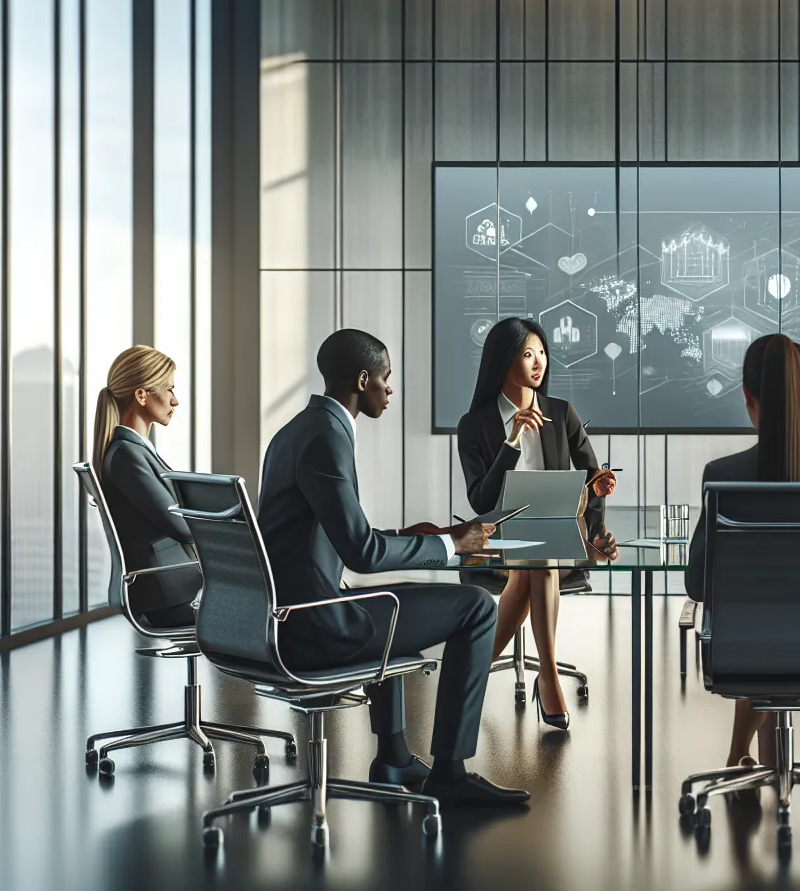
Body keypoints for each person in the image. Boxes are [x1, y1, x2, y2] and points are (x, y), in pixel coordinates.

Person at [258, 328, 527, 808]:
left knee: (396, 602)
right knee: (476, 606)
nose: (391, 389)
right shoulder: (327, 438)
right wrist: (448, 544)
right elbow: (362, 552)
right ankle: (449, 772)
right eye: (386, 378)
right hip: (317, 626)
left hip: (287, 615)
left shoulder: (295, 431)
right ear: (363, 380)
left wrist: (417, 536)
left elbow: (341, 533)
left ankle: (395, 757)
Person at [686, 334, 800, 770]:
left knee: (759, 622)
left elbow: (696, 583)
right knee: (775, 621)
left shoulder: (723, 474)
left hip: (742, 652)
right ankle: (741, 756)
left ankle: (741, 760)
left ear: (748, 398)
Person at [455, 317, 619, 732]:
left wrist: (597, 531)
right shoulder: (474, 425)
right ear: (502, 360)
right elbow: (481, 501)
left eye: (542, 352)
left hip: (558, 536)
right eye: (527, 353)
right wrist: (510, 444)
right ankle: (547, 674)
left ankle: (470, 679)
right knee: (535, 562)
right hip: (499, 540)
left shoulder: (562, 414)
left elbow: (592, 480)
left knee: (541, 553)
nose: (538, 361)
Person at [92, 346, 201, 629]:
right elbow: (181, 528)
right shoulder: (127, 455)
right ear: (142, 395)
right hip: (171, 596)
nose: (175, 401)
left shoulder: (133, 450)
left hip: (172, 588)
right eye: (169, 390)